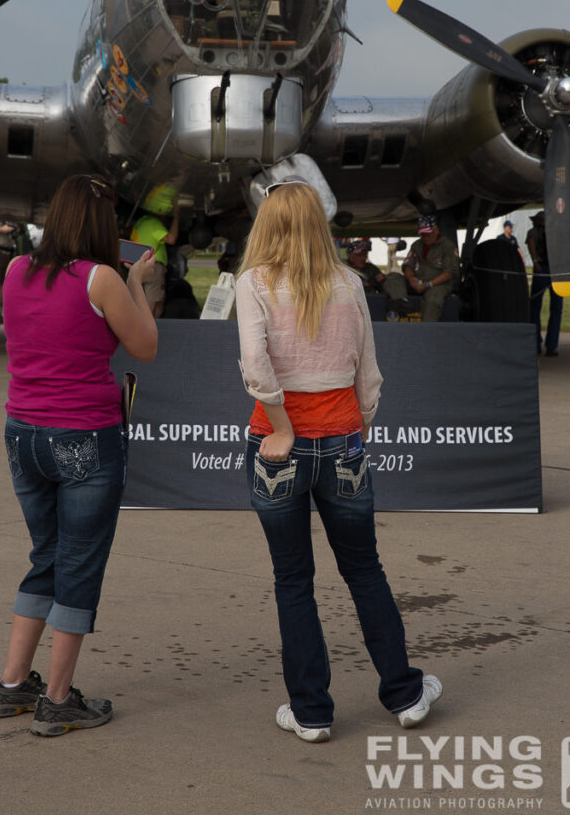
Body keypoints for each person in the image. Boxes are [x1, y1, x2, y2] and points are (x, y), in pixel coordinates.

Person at [235, 178, 442, 744]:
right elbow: (368, 377)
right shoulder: (349, 283)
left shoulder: (254, 283)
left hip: (276, 444)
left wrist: (280, 427)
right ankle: (403, 693)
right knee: (364, 568)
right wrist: (353, 431)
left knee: (292, 579)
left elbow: (256, 366)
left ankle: (312, 712)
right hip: (343, 439)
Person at [0, 174, 158, 736]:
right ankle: (58, 698)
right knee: (80, 563)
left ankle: (13, 682)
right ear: (102, 225)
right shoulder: (102, 278)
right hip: (83, 435)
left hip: (22, 432)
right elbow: (146, 346)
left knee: (48, 553)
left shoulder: (15, 271)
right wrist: (138, 284)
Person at [402, 215, 460, 321]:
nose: (425, 237)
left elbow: (450, 272)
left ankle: (426, 331)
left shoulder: (448, 247)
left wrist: (428, 284)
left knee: (433, 299)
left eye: (428, 234)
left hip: (438, 284)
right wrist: (411, 278)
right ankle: (400, 304)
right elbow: (407, 265)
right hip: (417, 281)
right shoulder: (417, 245)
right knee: (393, 278)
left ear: (436, 230)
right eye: (422, 235)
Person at [130, 197, 180, 318]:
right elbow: (171, 239)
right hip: (153, 267)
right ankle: (150, 329)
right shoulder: (154, 223)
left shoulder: (140, 223)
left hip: (138, 266)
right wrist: (177, 217)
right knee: (153, 301)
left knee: (142, 300)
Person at [526, 210, 563, 357]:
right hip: (555, 270)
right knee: (556, 309)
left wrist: (535, 262)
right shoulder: (556, 232)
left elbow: (531, 245)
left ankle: (536, 343)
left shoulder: (532, 232)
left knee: (535, 307)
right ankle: (551, 345)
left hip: (541, 269)